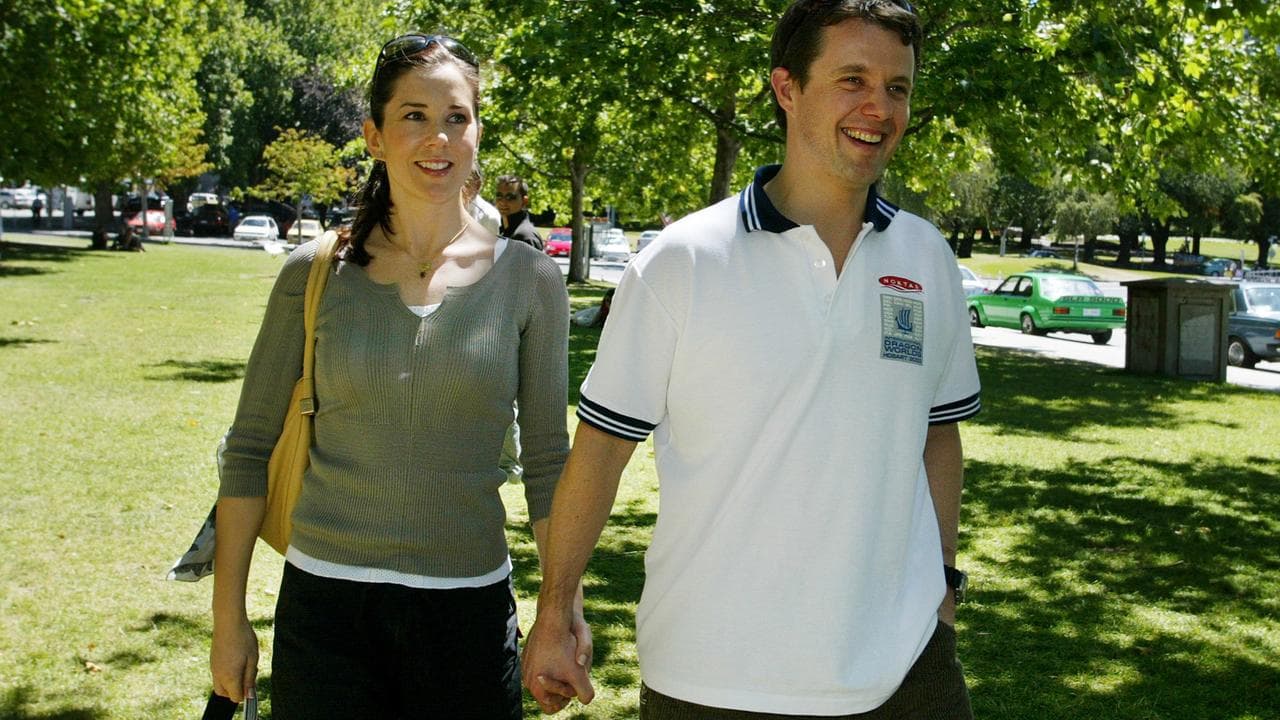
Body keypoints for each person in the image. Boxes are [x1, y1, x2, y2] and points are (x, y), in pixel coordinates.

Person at [522, 1, 982, 718]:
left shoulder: (928, 259)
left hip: (907, 672)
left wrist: (945, 594)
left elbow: (939, 435)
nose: (879, 107)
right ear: (786, 88)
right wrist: (555, 613)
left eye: (898, 87)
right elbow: (602, 449)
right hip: (714, 679)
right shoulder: (682, 260)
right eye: (852, 79)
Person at [209, 33, 584, 719]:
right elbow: (249, 449)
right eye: (414, 115)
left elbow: (549, 464)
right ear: (375, 136)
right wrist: (228, 619)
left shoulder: (529, 279)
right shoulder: (315, 273)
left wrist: (562, 610)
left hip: (467, 614)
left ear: (476, 131)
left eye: (456, 117)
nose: (437, 137)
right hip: (326, 612)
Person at [494, 174, 545, 250]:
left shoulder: (525, 236)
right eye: (499, 196)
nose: (503, 202)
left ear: (524, 201)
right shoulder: (504, 231)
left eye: (510, 197)